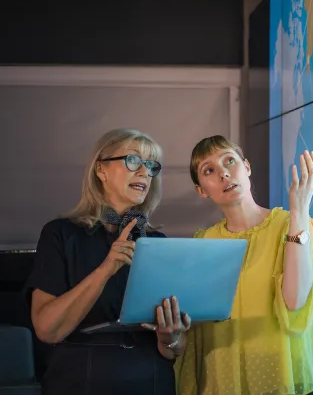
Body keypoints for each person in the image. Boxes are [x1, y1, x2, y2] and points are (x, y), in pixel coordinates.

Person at [25, 129, 192, 395]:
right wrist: (105, 269)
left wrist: (170, 337)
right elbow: (47, 330)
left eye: (151, 165)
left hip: (151, 379)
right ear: (101, 170)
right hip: (82, 379)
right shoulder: (60, 234)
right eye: (133, 161)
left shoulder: (157, 241)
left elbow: (177, 349)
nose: (144, 172)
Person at [174, 135, 313, 395]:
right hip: (222, 381)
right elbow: (195, 328)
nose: (223, 173)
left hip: (283, 379)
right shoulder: (203, 243)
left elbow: (295, 301)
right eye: (209, 170)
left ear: (247, 167)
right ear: (201, 189)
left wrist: (299, 211)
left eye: (229, 161)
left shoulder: (292, 224)